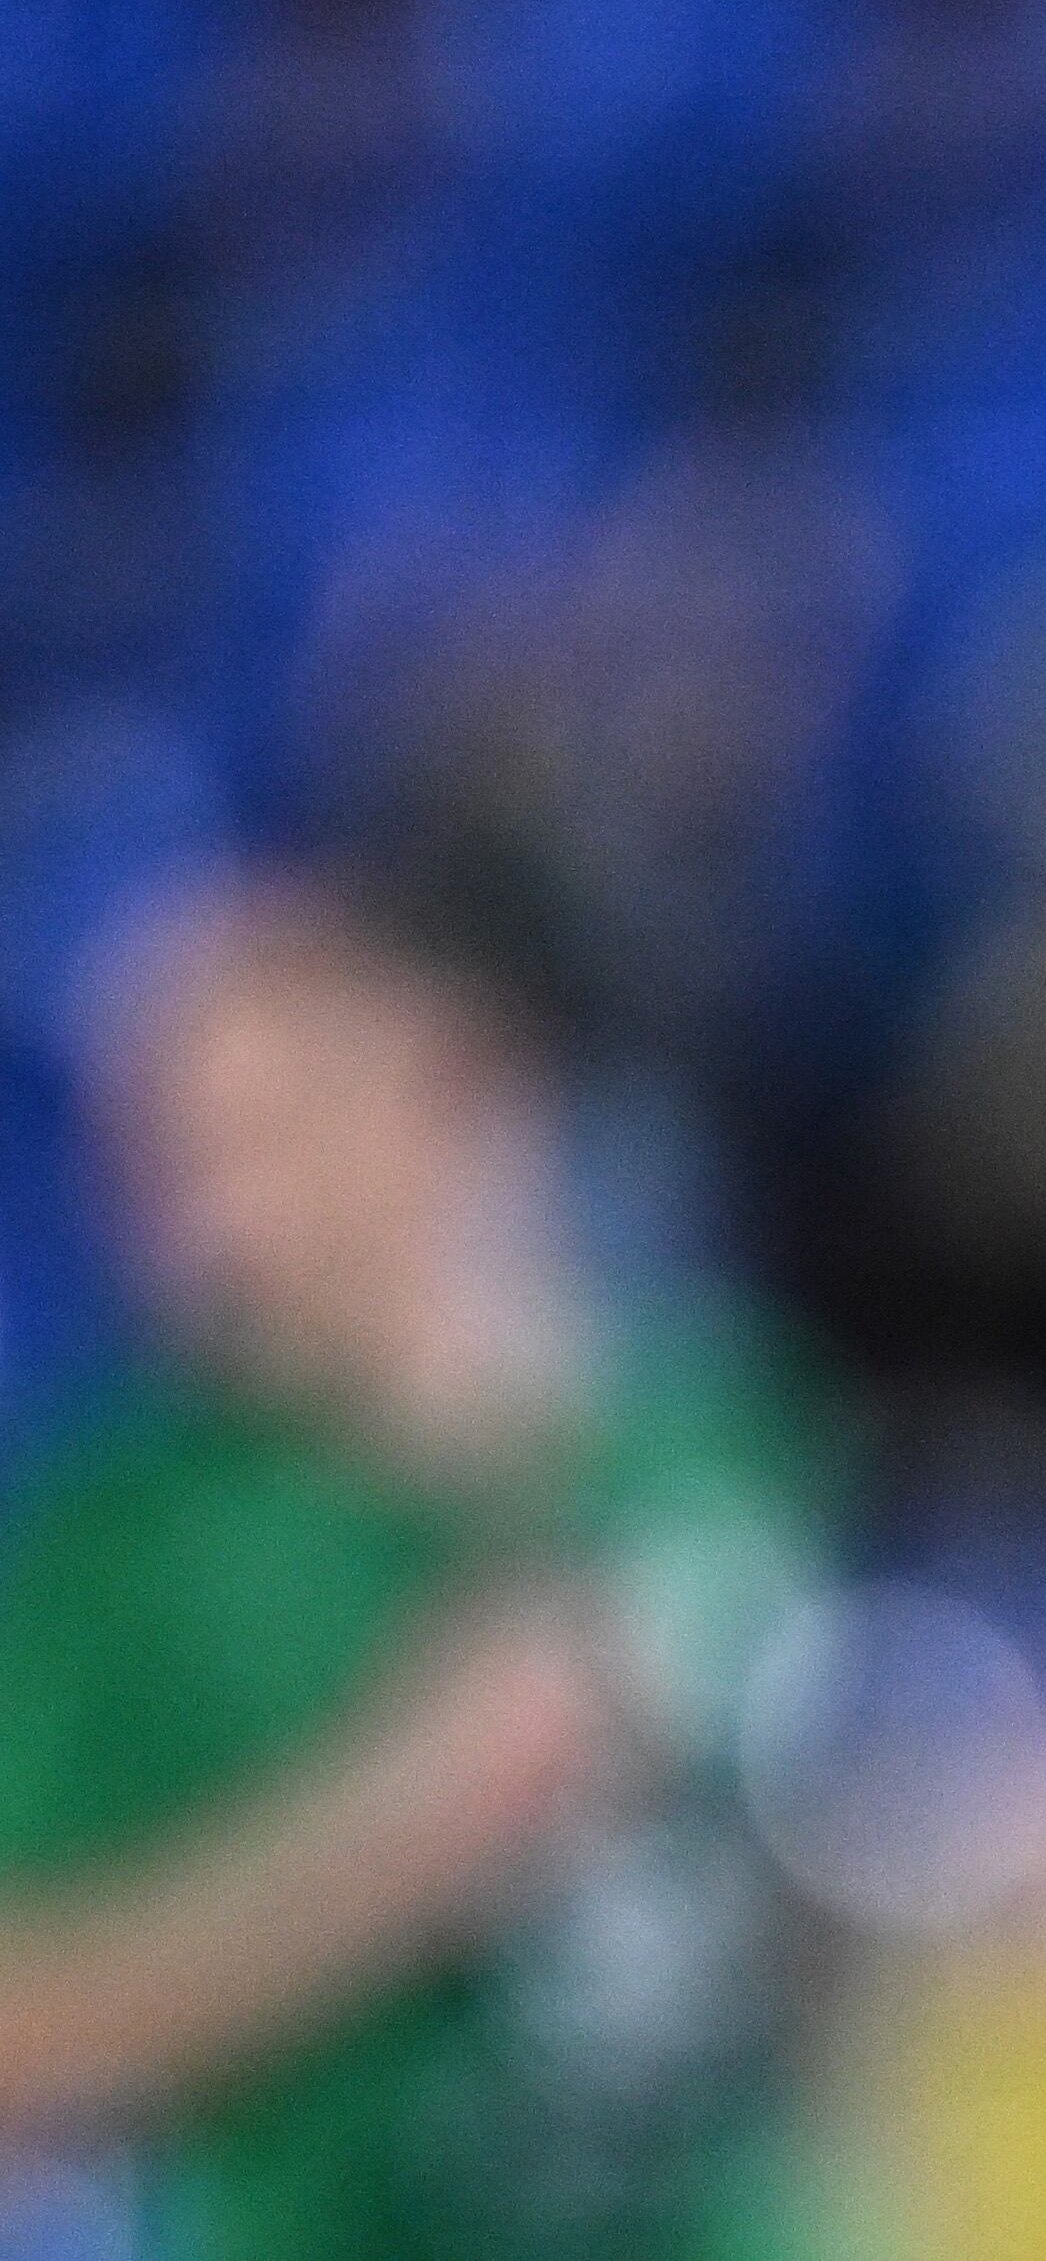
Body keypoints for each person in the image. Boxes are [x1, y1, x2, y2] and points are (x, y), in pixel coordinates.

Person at [0, 873, 828, 2261]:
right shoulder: (122, 1542)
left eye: (259, 1138)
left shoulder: (720, 1423)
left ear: (447, 1095)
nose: (198, 1220)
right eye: (157, 1159)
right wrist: (405, 1825)